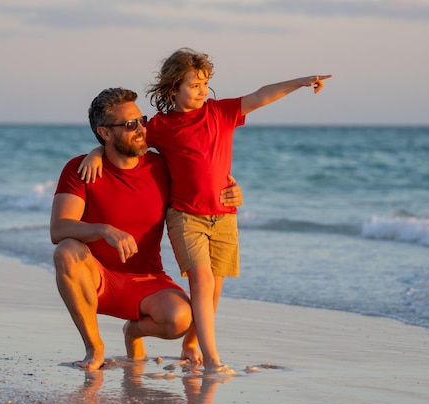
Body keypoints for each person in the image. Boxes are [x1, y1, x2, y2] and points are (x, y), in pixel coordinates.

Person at [79, 47, 332, 372]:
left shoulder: (221, 112)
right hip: (186, 216)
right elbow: (128, 140)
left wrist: (300, 81)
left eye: (204, 83)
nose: (202, 90)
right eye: (194, 84)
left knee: (214, 290)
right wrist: (94, 154)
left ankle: (192, 344)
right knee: (201, 280)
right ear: (174, 89)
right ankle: (213, 359)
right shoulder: (161, 125)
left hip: (224, 217)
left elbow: (261, 95)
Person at [50, 87, 242, 371]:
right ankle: (94, 347)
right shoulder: (81, 169)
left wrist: (232, 191)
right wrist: (105, 230)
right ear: (105, 133)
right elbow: (59, 228)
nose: (141, 128)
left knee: (180, 318)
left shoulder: (161, 166)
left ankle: (134, 331)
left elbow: (203, 181)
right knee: (66, 251)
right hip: (96, 279)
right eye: (130, 125)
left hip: (147, 281)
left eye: (142, 120)